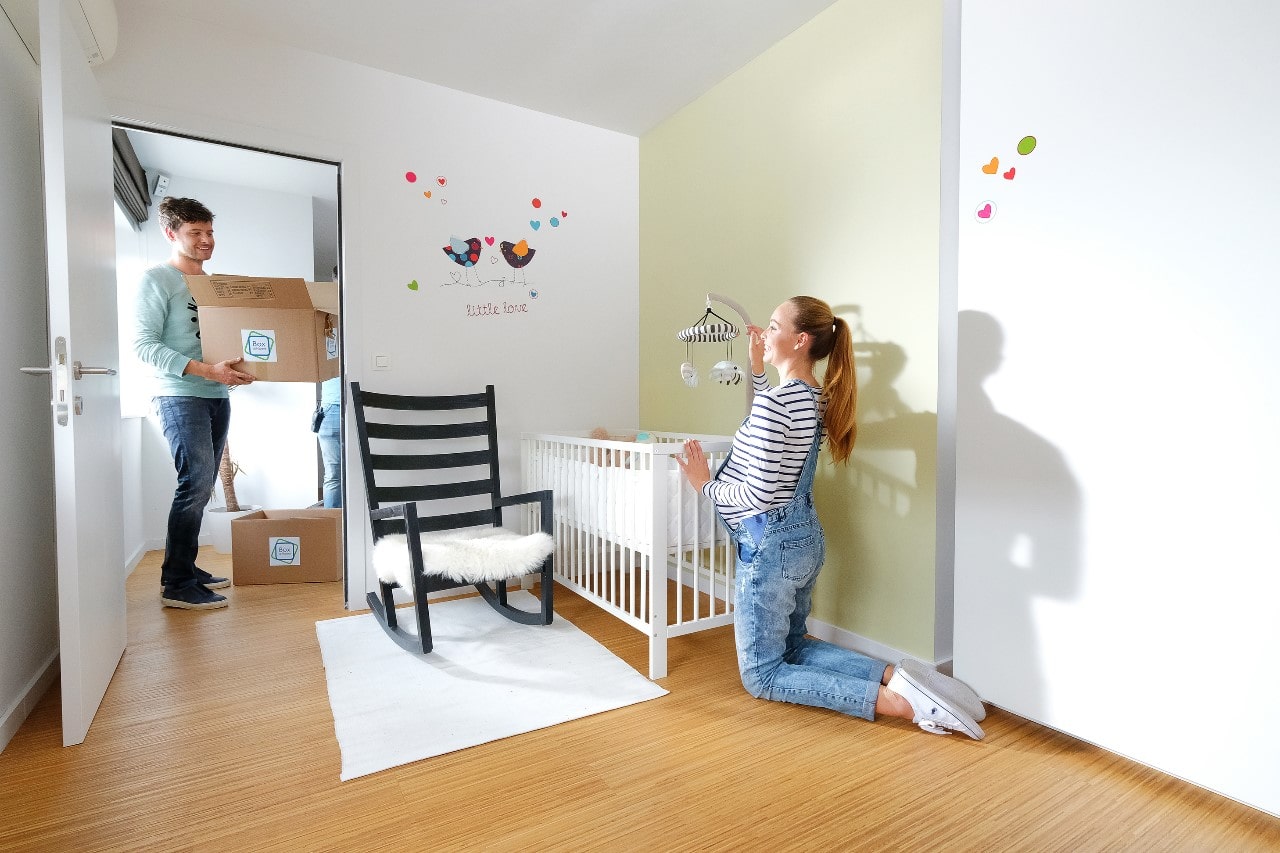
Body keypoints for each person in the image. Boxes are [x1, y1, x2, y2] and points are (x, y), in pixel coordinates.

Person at [675, 296, 987, 738]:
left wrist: (704, 482)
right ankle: (894, 675)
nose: (763, 335)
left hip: (770, 550)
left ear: (800, 340)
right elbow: (774, 421)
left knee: (762, 676)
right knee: (795, 645)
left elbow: (760, 492)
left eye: (773, 326)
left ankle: (897, 703)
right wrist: (758, 371)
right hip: (804, 541)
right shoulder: (816, 400)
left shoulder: (776, 406)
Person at [133, 197, 257, 610]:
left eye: (209, 232)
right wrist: (207, 371)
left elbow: (222, 341)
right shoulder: (157, 280)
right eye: (195, 233)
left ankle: (187, 565)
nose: (206, 240)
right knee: (197, 483)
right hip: (179, 395)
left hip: (216, 395)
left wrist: (235, 370)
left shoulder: (212, 284)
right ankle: (177, 583)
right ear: (171, 234)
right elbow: (144, 345)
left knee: (201, 488)